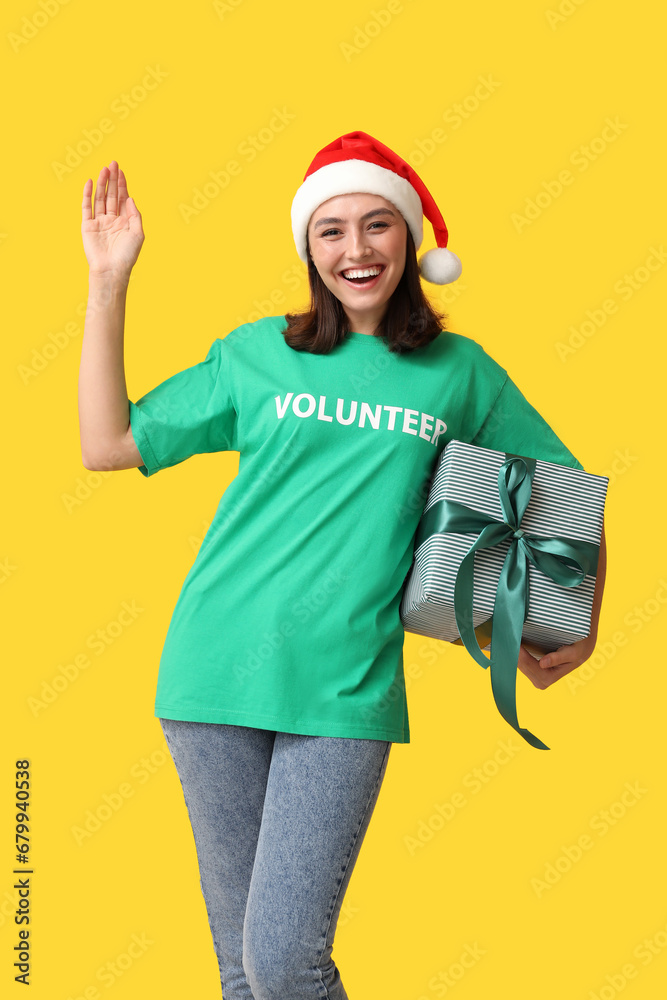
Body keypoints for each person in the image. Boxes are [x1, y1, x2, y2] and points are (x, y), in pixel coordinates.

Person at [78, 130, 607, 1000]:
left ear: (409, 239)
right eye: (330, 230)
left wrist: (572, 623)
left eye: (375, 226)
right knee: (244, 976)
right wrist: (108, 283)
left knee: (285, 966)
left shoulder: (457, 372)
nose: (354, 250)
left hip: (345, 690)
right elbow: (109, 442)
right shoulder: (258, 352)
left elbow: (564, 491)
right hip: (211, 671)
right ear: (307, 247)